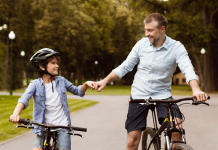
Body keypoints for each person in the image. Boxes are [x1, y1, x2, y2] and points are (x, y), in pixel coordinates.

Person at [94, 13, 208, 150]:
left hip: (163, 96)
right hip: (139, 96)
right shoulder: (141, 44)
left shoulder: (176, 47)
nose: (146, 34)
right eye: (145, 30)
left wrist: (196, 89)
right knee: (132, 141)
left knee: (177, 132)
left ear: (162, 29)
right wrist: (105, 80)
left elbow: (188, 69)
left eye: (150, 30)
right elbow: (125, 66)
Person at [10, 48, 96, 150]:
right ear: (42, 66)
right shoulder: (35, 84)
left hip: (63, 126)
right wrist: (15, 114)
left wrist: (86, 84)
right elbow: (24, 99)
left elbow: (78, 91)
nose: (57, 65)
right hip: (43, 127)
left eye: (57, 63)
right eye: (53, 63)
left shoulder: (62, 81)